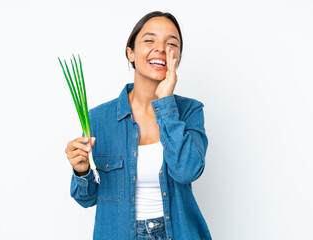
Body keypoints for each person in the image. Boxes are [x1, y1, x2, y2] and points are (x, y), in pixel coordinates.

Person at [65, 11, 212, 240]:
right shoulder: (98, 119)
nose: (161, 48)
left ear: (178, 57)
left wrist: (165, 104)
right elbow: (86, 199)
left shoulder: (190, 112)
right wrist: (81, 170)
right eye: (150, 40)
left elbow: (187, 171)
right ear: (130, 53)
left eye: (171, 43)